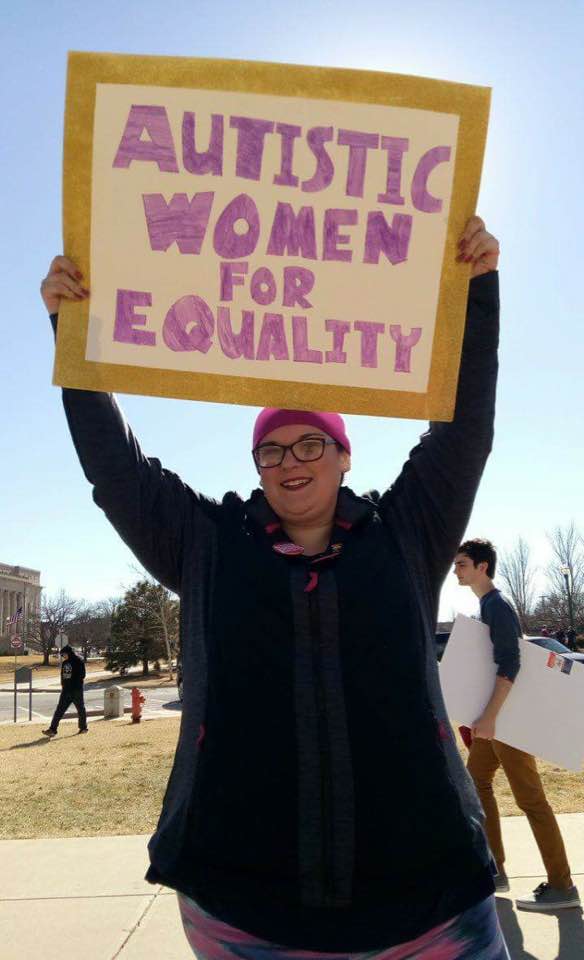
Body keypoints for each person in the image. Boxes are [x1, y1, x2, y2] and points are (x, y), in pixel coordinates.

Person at [40, 217, 509, 958]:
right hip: (245, 911)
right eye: (272, 450)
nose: (292, 461)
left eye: (311, 443)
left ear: (345, 456)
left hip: (426, 904)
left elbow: (463, 431)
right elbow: (118, 472)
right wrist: (73, 335)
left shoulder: (408, 533)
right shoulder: (206, 546)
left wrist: (477, 296)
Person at [454, 538, 580, 912]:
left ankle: (562, 885)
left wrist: (490, 716)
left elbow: (510, 664)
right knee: (476, 782)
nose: (455, 570)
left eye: (461, 564)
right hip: (496, 721)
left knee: (531, 800)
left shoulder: (498, 607)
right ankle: (495, 868)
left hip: (507, 722)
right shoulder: (486, 606)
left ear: (482, 567)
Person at [42, 644, 88, 736]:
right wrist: (63, 685)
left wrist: (73, 682)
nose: (63, 656)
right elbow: (62, 676)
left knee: (80, 709)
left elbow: (82, 675)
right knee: (59, 710)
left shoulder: (79, 661)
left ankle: (83, 728)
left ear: (68, 653)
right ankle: (52, 730)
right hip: (66, 691)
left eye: (63, 655)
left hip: (76, 690)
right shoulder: (65, 663)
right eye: (62, 655)